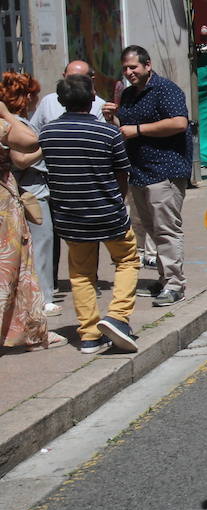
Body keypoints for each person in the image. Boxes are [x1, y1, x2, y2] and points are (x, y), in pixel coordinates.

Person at [39, 75, 140, 353]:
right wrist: (118, 199)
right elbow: (122, 173)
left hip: (70, 216)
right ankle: (117, 317)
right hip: (109, 212)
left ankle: (89, 336)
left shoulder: (47, 134)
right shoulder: (109, 134)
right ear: (93, 98)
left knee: (81, 275)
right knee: (127, 260)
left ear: (60, 102)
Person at [107, 45, 190, 307]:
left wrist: (139, 130)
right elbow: (126, 130)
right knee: (152, 230)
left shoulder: (166, 90)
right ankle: (164, 279)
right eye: (125, 68)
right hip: (139, 171)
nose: (129, 72)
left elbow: (179, 122)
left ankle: (176, 284)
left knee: (166, 229)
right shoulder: (129, 94)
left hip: (164, 170)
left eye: (133, 67)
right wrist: (113, 119)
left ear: (147, 65)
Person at [1, 72, 58, 316]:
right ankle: (44, 297)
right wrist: (45, 147)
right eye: (33, 95)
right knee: (41, 244)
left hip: (26, 191)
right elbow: (22, 158)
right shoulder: (14, 123)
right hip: (29, 192)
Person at [29, 59, 106, 132]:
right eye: (70, 78)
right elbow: (34, 131)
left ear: (91, 80)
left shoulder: (100, 105)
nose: (74, 83)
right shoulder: (48, 101)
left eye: (79, 79)